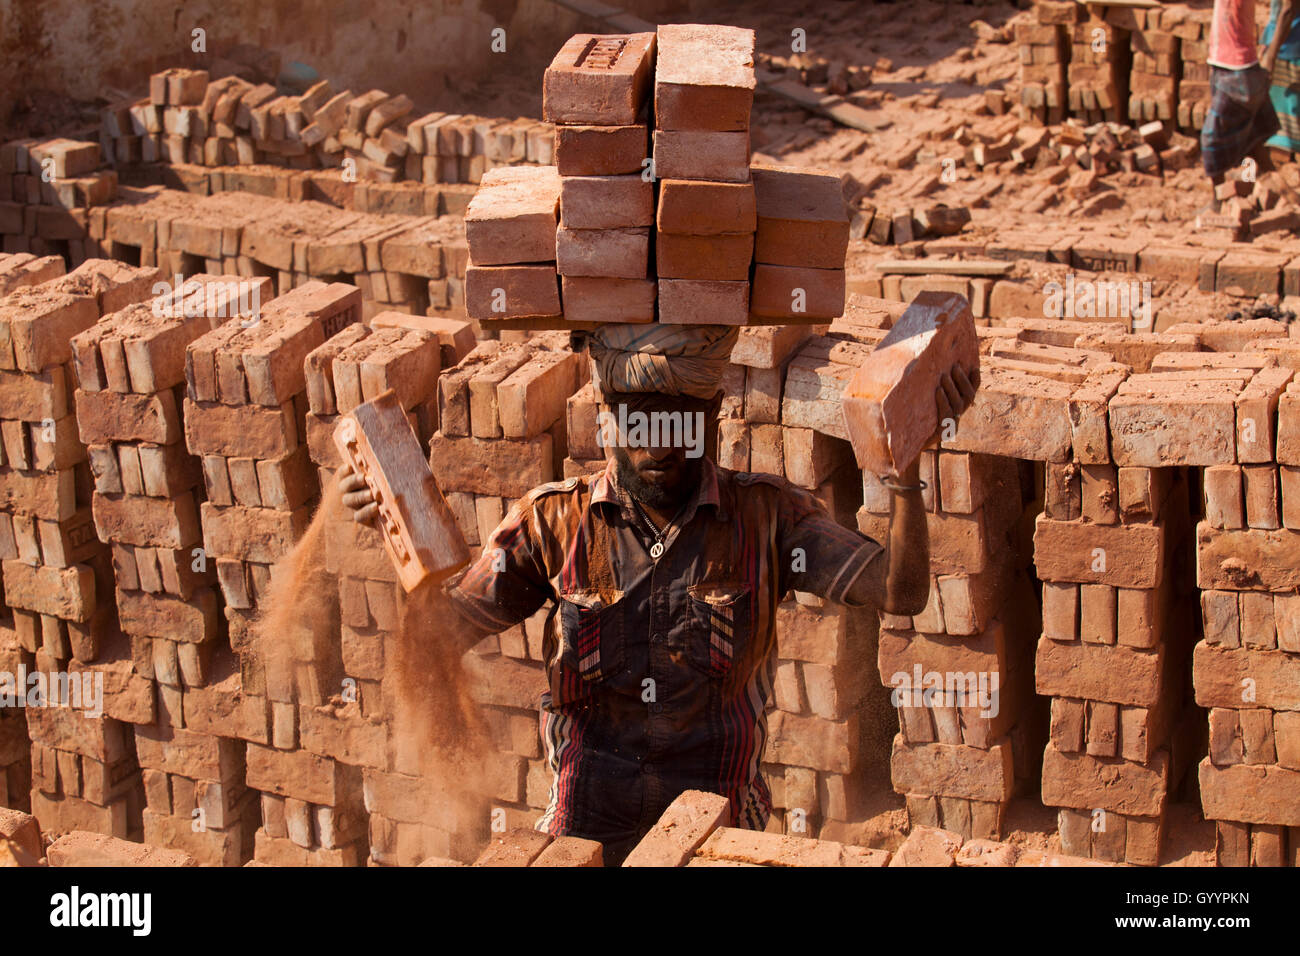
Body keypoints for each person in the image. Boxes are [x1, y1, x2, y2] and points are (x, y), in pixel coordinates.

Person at [339, 323, 979, 866]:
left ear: (711, 416)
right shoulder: (553, 524)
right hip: (586, 824)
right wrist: (393, 533)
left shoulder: (767, 517)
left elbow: (902, 591)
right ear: (608, 417)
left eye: (680, 421)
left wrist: (905, 475)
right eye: (637, 420)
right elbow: (433, 643)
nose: (658, 444)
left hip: (721, 826)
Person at [1200, 0, 1285, 212]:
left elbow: (1289, 9)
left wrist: (1271, 56)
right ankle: (1272, 194)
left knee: (1210, 140)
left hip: (1238, 70)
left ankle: (1218, 198)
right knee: (1252, 140)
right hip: (1228, 65)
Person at [1262, 0, 1300, 159]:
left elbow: (1288, 9)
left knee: (1282, 142)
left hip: (1289, 47)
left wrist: (1271, 56)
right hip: (1286, 43)